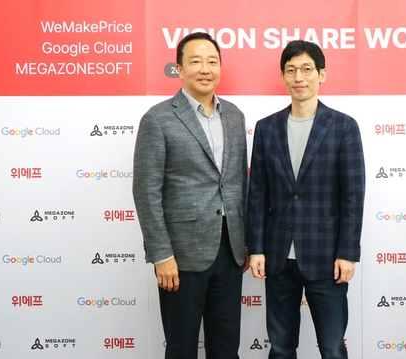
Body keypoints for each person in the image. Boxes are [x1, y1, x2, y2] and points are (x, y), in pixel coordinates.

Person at [133, 32, 249, 359]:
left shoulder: (236, 116)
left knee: (226, 350)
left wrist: (246, 242)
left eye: (212, 61)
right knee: (182, 349)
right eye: (195, 61)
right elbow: (146, 191)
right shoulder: (158, 119)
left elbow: (239, 181)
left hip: (230, 252)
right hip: (180, 258)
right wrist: (161, 255)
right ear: (179, 69)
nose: (205, 68)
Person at [247, 40, 365, 359]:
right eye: (291, 70)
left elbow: (353, 197)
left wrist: (347, 253)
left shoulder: (343, 127)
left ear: (321, 75)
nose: (299, 76)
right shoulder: (266, 128)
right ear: (283, 77)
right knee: (282, 347)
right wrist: (255, 248)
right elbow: (257, 193)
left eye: (307, 69)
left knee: (331, 347)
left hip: (327, 258)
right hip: (278, 256)